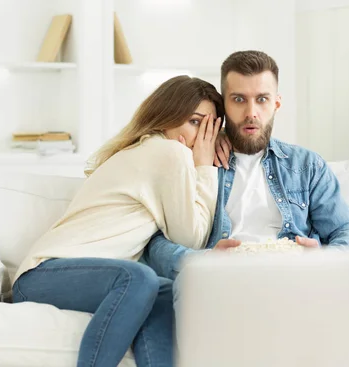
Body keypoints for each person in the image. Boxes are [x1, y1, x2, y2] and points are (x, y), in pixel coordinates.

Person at [11, 75, 224, 367]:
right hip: (41, 277)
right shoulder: (168, 151)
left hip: (72, 276)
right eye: (195, 122)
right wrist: (204, 165)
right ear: (168, 116)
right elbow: (192, 237)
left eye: (210, 128)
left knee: (162, 291)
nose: (202, 138)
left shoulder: (152, 150)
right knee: (138, 278)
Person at [142, 50, 349, 281]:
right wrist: (204, 260)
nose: (251, 113)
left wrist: (322, 259)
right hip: (220, 280)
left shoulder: (306, 166)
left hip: (294, 278)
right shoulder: (198, 162)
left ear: (276, 103)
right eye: (239, 99)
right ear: (224, 104)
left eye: (262, 99)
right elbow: (155, 243)